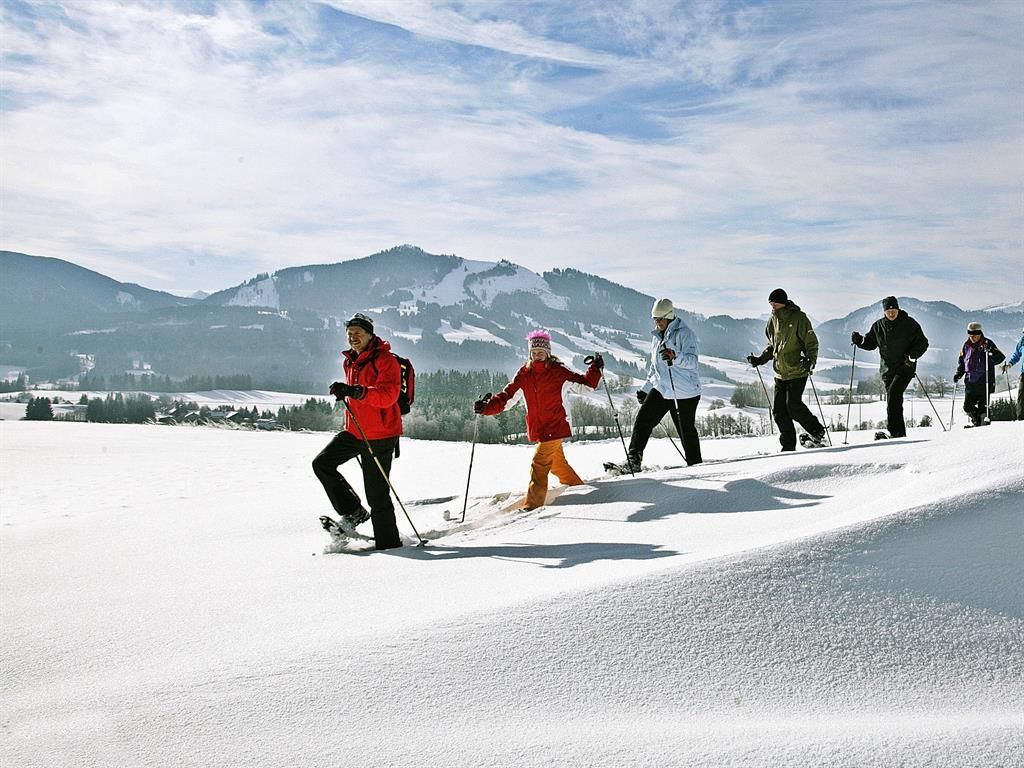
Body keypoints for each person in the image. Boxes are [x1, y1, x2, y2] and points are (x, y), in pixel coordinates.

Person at [475, 330, 603, 511]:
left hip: (557, 425)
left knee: (539, 463)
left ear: (548, 353)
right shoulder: (524, 374)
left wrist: (595, 369)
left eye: (540, 352)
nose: (537, 356)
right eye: (533, 353)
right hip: (539, 428)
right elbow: (508, 396)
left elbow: (586, 385)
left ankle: (532, 505)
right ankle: (577, 486)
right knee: (557, 464)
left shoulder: (558, 371)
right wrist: (487, 407)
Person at [312, 313, 403, 550]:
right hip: (355, 431)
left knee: (377, 494)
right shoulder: (350, 361)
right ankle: (354, 512)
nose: (353, 338)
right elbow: (357, 393)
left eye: (358, 333)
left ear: (370, 334)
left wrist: (356, 391)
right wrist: (345, 391)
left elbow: (387, 396)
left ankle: (389, 544)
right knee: (322, 463)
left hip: (381, 434)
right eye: (349, 334)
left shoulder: (386, 361)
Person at [623, 298, 702, 471]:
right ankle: (633, 461)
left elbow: (692, 362)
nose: (657, 322)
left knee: (685, 431)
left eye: (660, 319)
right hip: (663, 388)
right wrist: (646, 388)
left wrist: (675, 356)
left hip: (685, 392)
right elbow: (655, 366)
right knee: (643, 419)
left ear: (670, 316)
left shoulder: (684, 333)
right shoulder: (657, 337)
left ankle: (696, 465)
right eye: (655, 319)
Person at [746, 288, 826, 451]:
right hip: (780, 373)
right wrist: (760, 360)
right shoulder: (772, 320)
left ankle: (817, 431)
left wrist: (810, 361)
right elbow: (772, 346)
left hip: (797, 370)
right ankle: (788, 446)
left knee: (793, 406)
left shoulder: (799, 318)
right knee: (779, 412)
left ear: (782, 302)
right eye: (770, 303)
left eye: (774, 302)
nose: (772, 305)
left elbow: (811, 342)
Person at [851, 296, 929, 438]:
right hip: (887, 370)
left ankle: (895, 431)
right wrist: (860, 341)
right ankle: (899, 434)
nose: (891, 312)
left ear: (898, 309)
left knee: (893, 396)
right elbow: (871, 343)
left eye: (894, 309)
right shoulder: (878, 326)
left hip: (905, 367)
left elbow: (923, 342)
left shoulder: (909, 324)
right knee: (893, 401)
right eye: (888, 310)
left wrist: (912, 356)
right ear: (884, 311)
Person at [954, 322, 1005, 427]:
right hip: (970, 382)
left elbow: (1000, 357)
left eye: (975, 335)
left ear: (980, 333)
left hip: (984, 381)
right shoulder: (966, 345)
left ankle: (983, 427)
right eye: (970, 335)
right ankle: (977, 423)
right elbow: (962, 362)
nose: (972, 337)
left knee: (983, 409)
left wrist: (991, 352)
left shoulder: (988, 343)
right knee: (967, 407)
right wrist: (959, 373)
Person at [1000, 328, 1024, 420]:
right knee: (1021, 396)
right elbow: (1016, 355)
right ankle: (1021, 419)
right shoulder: (1022, 343)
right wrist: (1009, 364)